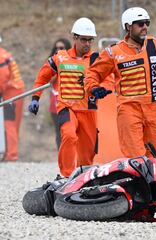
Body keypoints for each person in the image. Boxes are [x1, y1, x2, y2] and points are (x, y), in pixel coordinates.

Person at [85, 7, 156, 159]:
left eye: (146, 23)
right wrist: (94, 88)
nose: (145, 27)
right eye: (140, 24)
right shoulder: (113, 52)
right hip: (128, 110)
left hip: (154, 109)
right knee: (136, 158)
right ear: (128, 27)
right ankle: (138, 183)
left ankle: (154, 184)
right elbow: (93, 73)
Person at [28, 18, 113, 177]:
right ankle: (66, 176)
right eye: (83, 40)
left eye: (90, 40)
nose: (87, 44)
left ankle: (83, 178)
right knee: (68, 135)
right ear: (74, 38)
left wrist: (104, 89)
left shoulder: (96, 59)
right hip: (67, 108)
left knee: (87, 152)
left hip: (88, 110)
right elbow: (42, 77)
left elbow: (109, 79)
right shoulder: (60, 57)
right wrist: (35, 98)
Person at [0, 34, 25, 161]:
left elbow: (2, 77)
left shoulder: (0, 56)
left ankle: (11, 155)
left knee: (9, 123)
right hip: (17, 91)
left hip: (11, 93)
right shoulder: (4, 53)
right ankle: (10, 153)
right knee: (13, 124)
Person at [48, 38, 72, 149]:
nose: (58, 50)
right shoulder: (51, 62)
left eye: (61, 48)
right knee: (59, 132)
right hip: (55, 103)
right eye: (56, 48)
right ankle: (61, 158)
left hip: (70, 101)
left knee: (69, 131)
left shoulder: (73, 61)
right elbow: (48, 80)